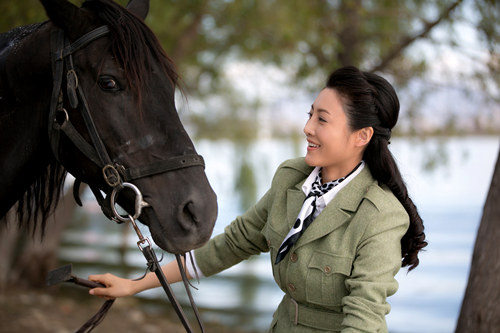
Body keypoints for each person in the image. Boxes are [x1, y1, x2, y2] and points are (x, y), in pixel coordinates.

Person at [88, 66, 427, 332]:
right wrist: (133, 286)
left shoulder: (381, 215)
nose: (307, 128)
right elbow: (230, 246)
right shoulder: (290, 179)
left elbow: (364, 317)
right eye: (310, 114)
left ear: (362, 136)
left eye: (322, 120)